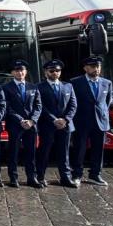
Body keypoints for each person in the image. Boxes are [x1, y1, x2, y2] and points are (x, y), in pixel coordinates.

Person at [71, 56, 113, 187]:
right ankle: (77, 174)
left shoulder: (107, 83)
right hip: (82, 121)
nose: (96, 69)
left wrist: (102, 114)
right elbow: (72, 102)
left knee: (98, 150)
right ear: (85, 68)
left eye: (98, 67)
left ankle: (95, 174)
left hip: (100, 121)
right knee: (79, 149)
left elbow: (107, 101)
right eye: (93, 67)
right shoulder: (75, 82)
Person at [36, 59, 79, 188]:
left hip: (65, 125)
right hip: (47, 125)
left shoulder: (68, 86)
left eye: (58, 70)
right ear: (46, 72)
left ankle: (66, 178)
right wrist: (54, 119)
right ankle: (40, 176)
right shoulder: (39, 87)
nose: (55, 73)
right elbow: (40, 106)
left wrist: (65, 119)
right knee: (44, 151)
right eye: (52, 71)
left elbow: (73, 105)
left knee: (64, 152)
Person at [2, 60, 43, 188]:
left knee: (31, 152)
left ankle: (32, 177)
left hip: (31, 125)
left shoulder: (33, 87)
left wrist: (32, 120)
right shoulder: (6, 88)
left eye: (22, 70)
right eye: (17, 70)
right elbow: (7, 107)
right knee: (13, 152)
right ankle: (13, 178)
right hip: (15, 124)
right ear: (12, 73)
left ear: (26, 72)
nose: (20, 72)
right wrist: (20, 120)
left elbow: (38, 106)